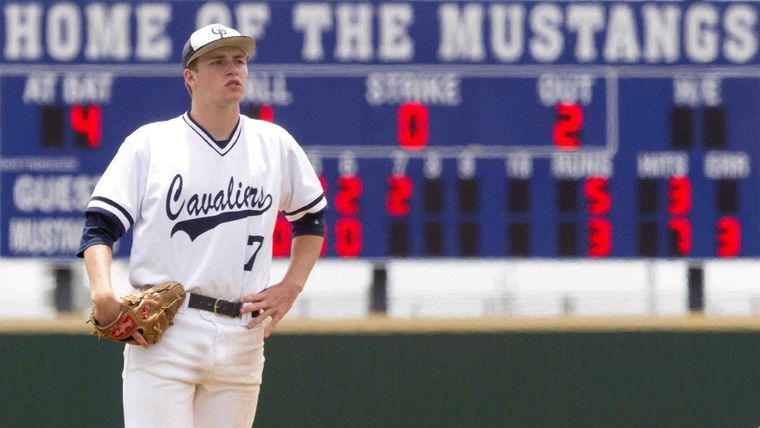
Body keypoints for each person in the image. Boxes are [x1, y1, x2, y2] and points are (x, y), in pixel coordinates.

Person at [77, 23, 327, 428]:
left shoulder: (274, 144)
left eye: (239, 60)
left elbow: (311, 217)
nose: (233, 68)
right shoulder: (152, 143)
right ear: (190, 78)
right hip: (167, 331)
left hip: (243, 334)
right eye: (218, 61)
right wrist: (103, 294)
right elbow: (100, 225)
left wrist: (291, 286)